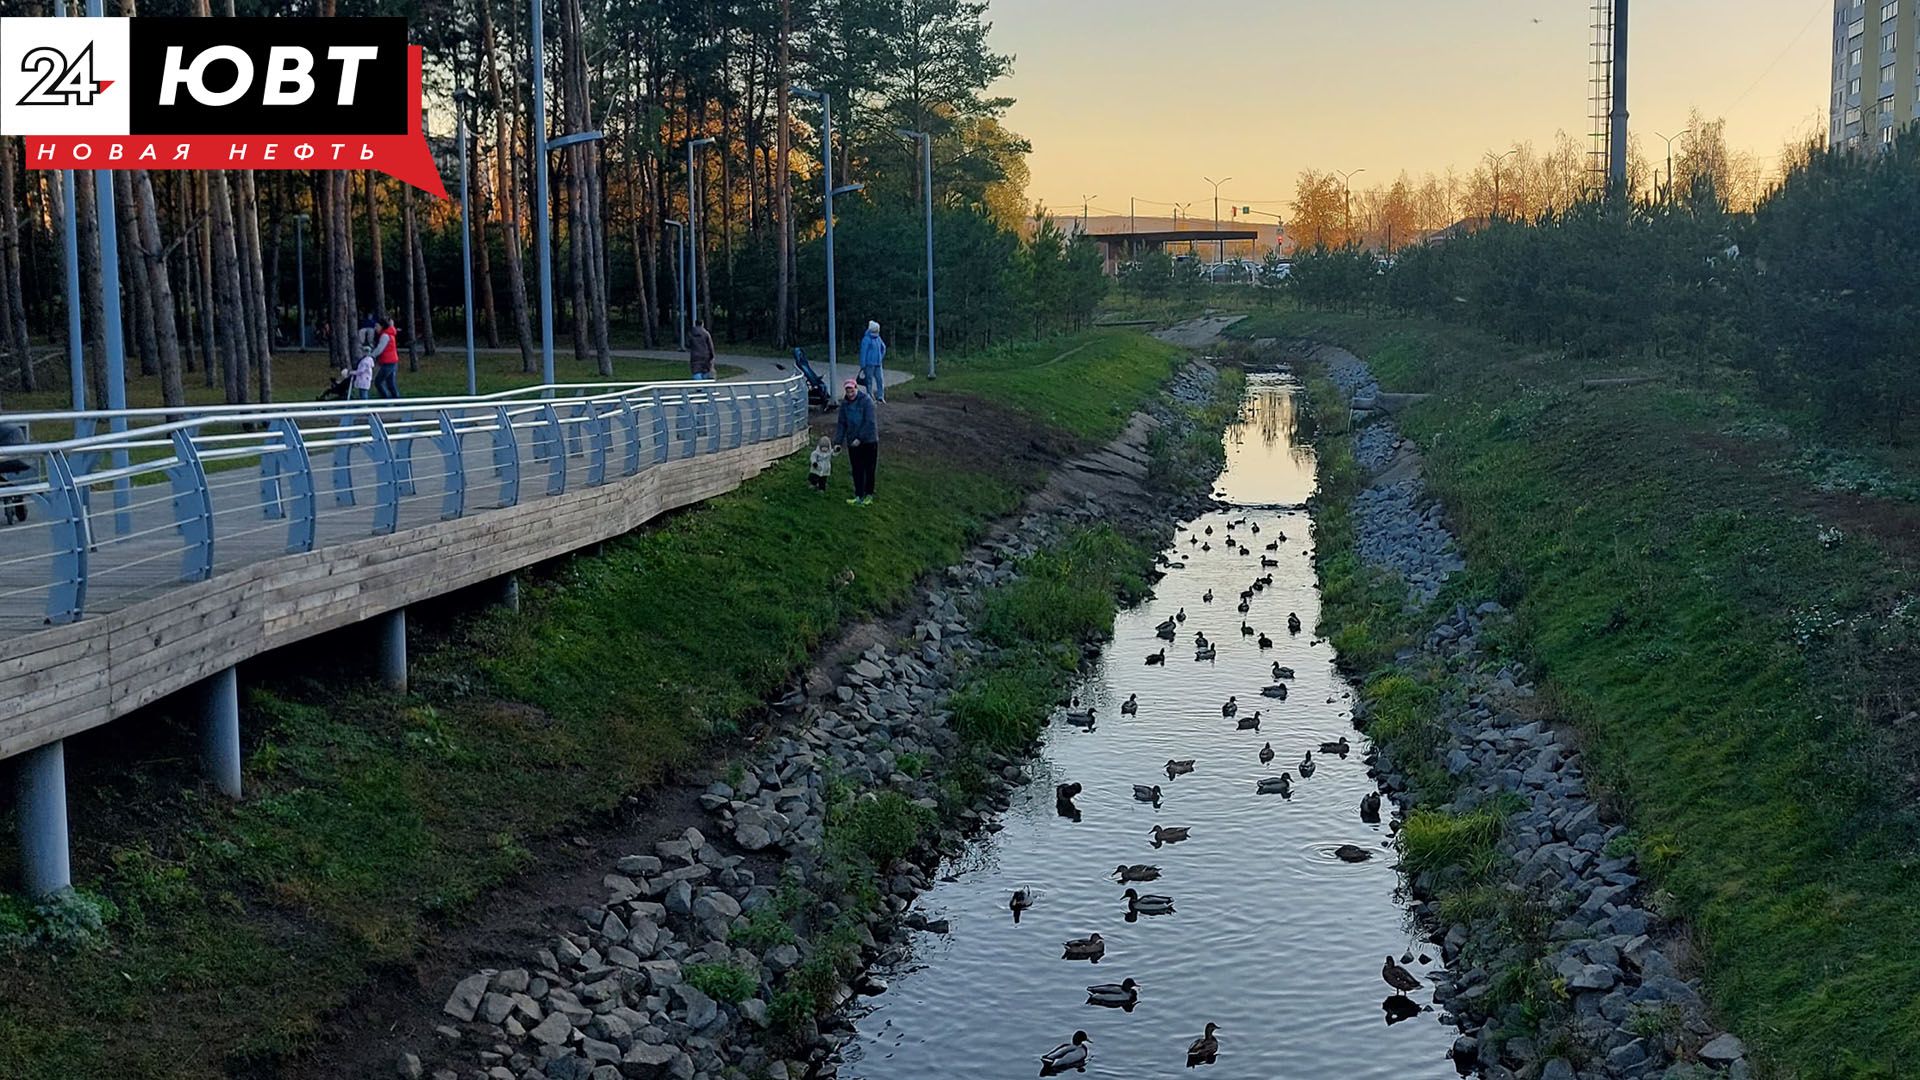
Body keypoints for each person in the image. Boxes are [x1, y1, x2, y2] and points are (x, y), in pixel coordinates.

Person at [834, 378, 878, 506]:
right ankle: (858, 494)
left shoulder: (867, 401)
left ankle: (869, 494)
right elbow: (842, 423)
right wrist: (838, 442)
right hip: (852, 441)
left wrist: (860, 438)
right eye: (848, 391)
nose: (850, 393)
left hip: (869, 441)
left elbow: (869, 422)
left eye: (852, 390)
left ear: (856, 389)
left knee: (869, 468)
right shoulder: (845, 405)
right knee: (857, 469)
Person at [370, 314, 401, 398]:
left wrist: (371, 356)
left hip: (388, 362)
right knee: (391, 384)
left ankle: (386, 399)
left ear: (382, 326)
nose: (375, 328)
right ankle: (397, 402)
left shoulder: (385, 336)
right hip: (393, 361)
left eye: (377, 326)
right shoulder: (390, 333)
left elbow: (380, 348)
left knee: (378, 382)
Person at [858, 320, 887, 402]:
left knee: (880, 380)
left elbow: (883, 348)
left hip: (878, 364)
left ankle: (880, 396)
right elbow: (863, 352)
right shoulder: (866, 339)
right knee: (869, 381)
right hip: (869, 364)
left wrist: (880, 357)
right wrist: (863, 365)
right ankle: (870, 396)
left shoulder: (878, 338)